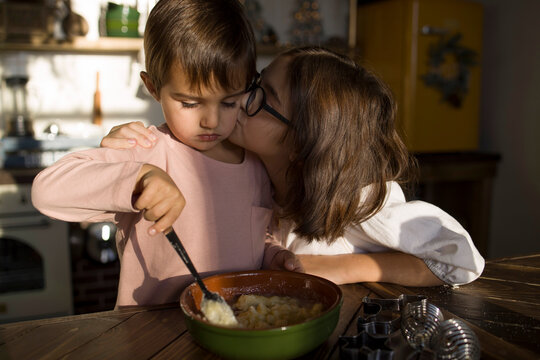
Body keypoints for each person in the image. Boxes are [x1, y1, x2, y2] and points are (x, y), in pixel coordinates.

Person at [102, 46, 485, 287]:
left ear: (302, 143)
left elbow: (460, 260)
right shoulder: (249, 169)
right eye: (256, 83)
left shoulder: (358, 201)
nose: (241, 97)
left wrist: (343, 269)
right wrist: (136, 145)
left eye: (264, 97)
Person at [31, 0, 300, 308]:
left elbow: (255, 236)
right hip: (151, 339)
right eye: (189, 103)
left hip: (233, 334)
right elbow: (45, 191)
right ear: (153, 87)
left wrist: (272, 255)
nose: (211, 121)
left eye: (228, 103)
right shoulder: (146, 151)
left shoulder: (254, 166)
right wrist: (138, 178)